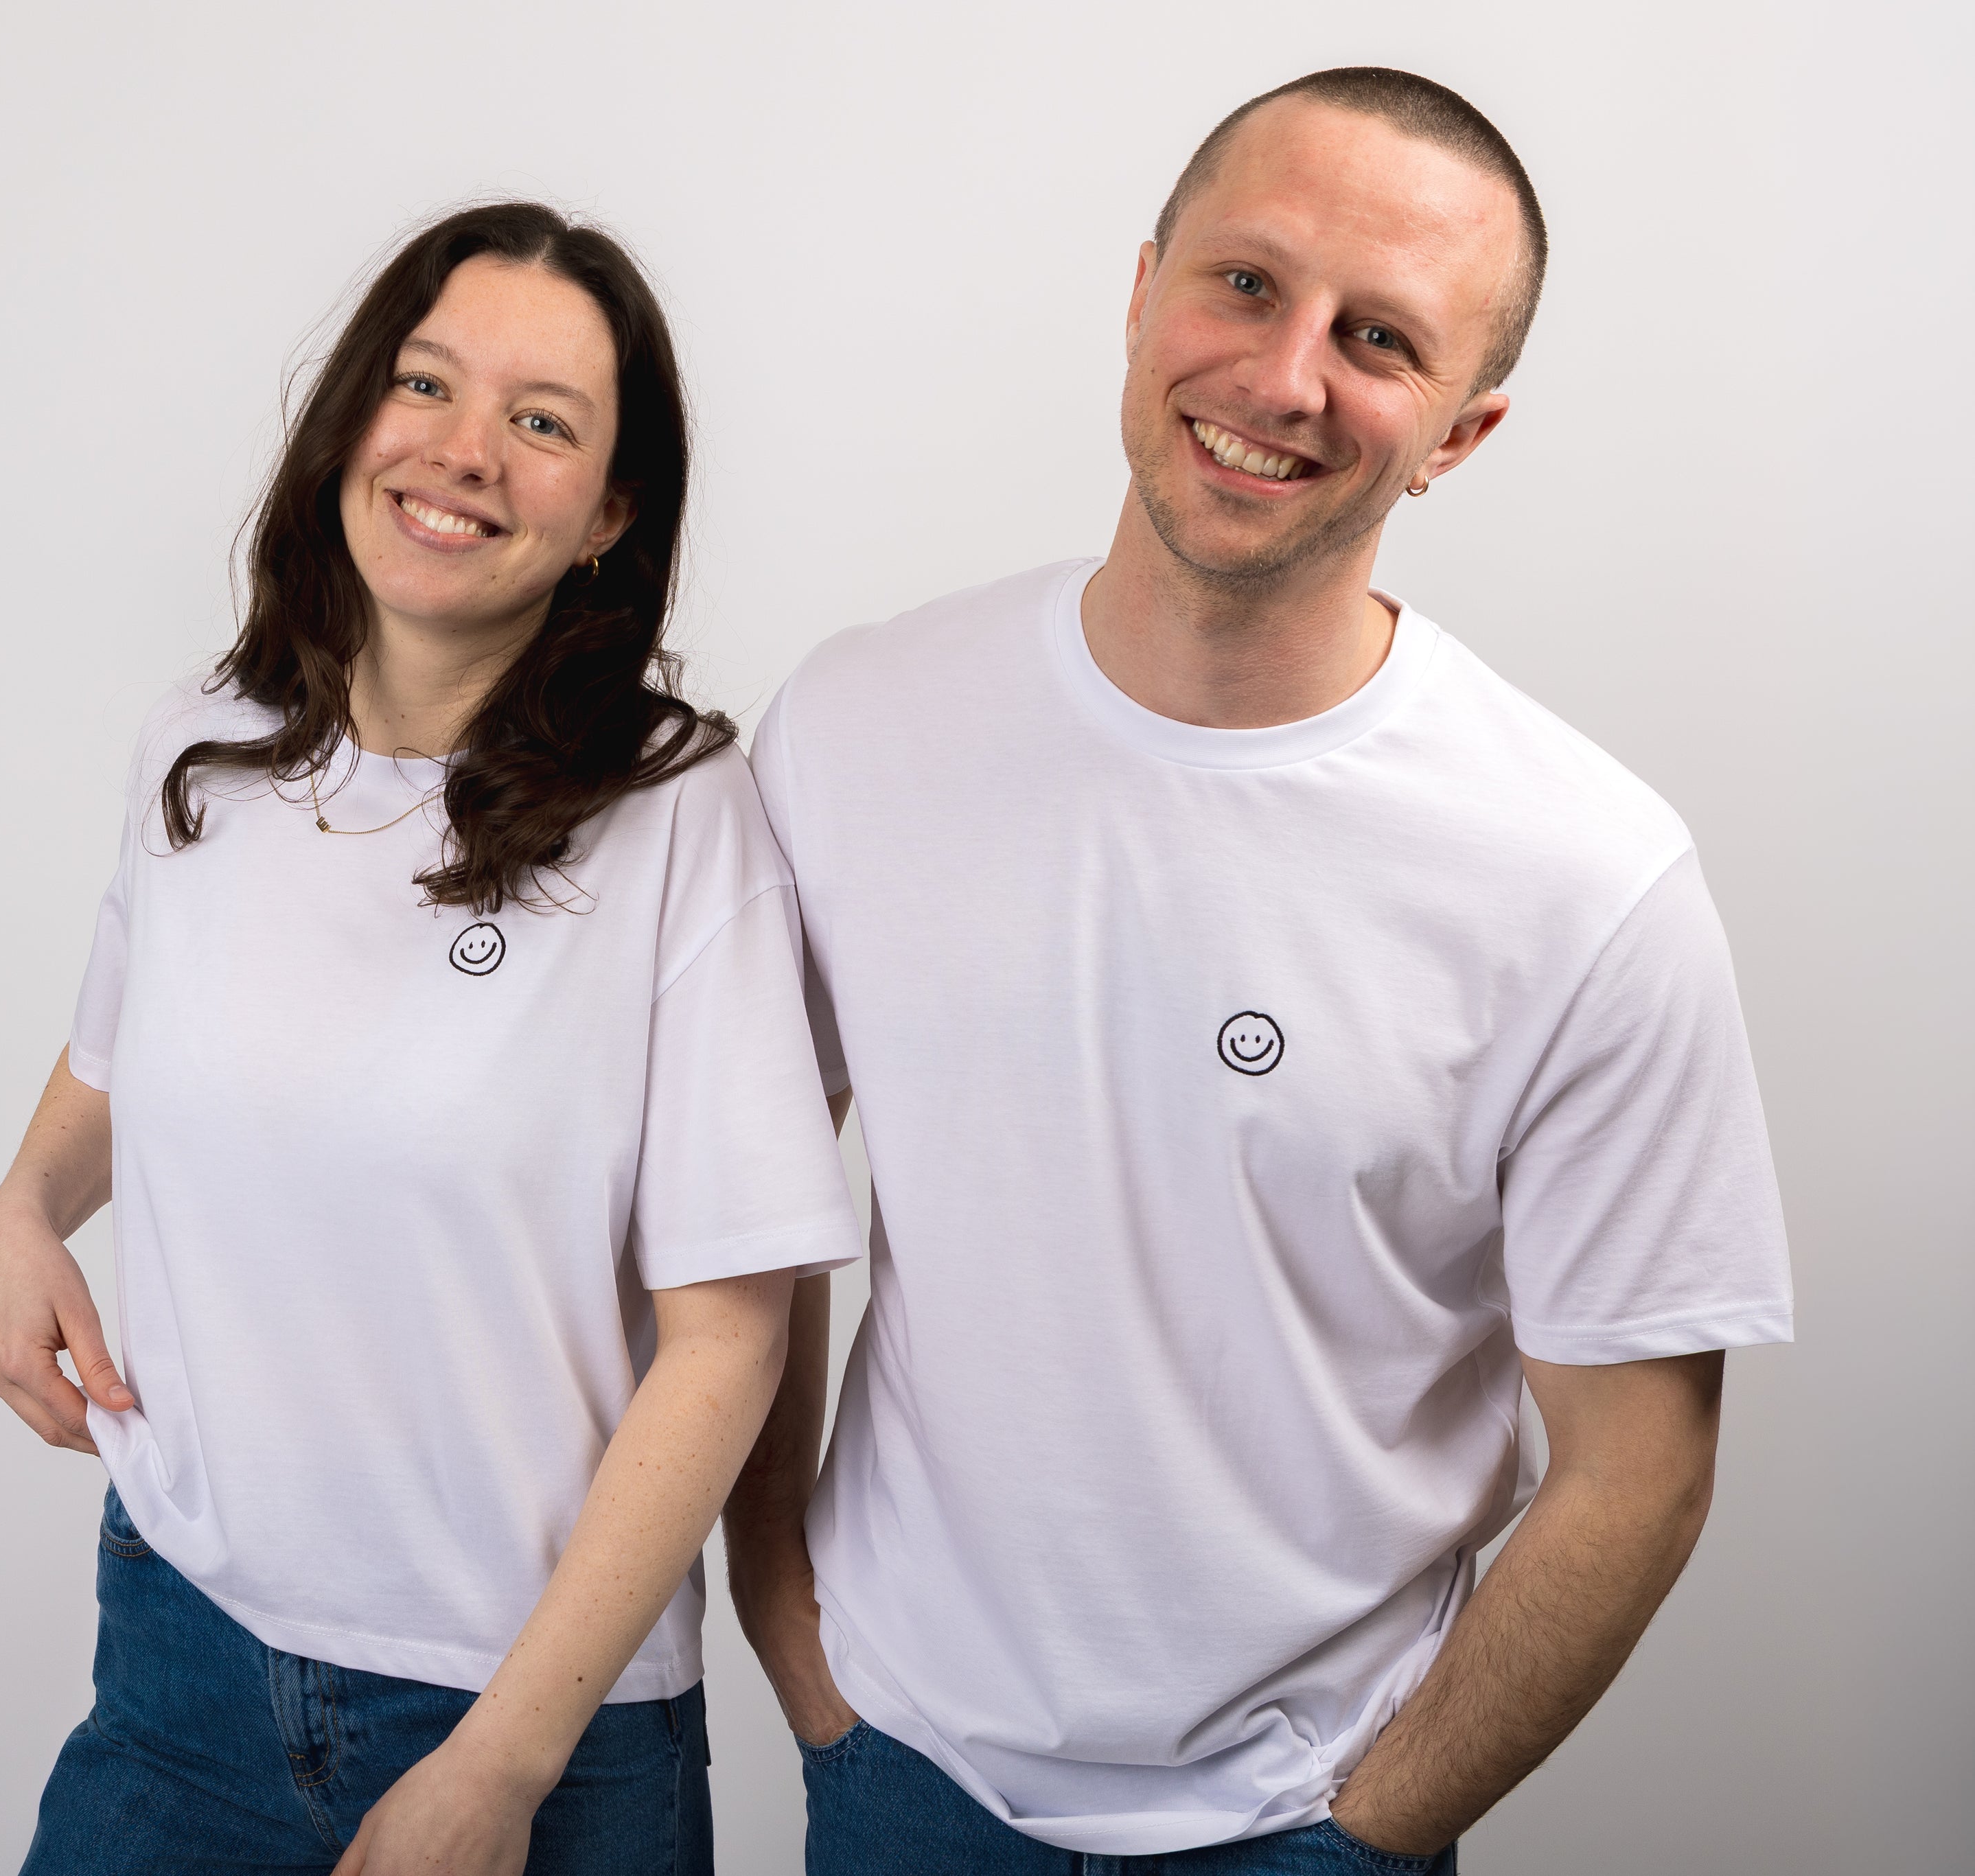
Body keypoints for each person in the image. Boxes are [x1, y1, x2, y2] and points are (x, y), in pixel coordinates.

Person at [725, 67, 1793, 1873]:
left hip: (1299, 1824)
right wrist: (793, 1632)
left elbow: (1637, 1462)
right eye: (1243, 284)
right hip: (899, 1771)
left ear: (1460, 430)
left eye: (1377, 337)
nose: (1283, 376)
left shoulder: (1583, 874)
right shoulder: (854, 723)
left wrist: (1373, 1827)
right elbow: (732, 1213)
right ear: (1140, 291)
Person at [0, 202, 859, 1876]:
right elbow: (115, 1055)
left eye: (542, 422)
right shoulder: (210, 747)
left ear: (609, 513)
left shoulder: (679, 819)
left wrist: (502, 1764)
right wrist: (21, 1205)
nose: (463, 452)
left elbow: (730, 1338)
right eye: (426, 384)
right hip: (177, 1649)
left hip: (531, 1717)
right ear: (349, 420)